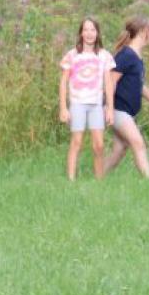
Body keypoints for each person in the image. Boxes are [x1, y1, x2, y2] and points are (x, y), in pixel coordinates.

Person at [97, 16, 149, 178]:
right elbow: (111, 82)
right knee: (138, 143)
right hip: (118, 109)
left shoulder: (136, 56)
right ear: (143, 32)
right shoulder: (126, 55)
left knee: (120, 149)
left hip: (124, 111)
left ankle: (97, 177)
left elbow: (139, 85)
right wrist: (109, 109)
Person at [57, 17, 113, 180]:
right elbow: (63, 82)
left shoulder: (104, 55)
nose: (89, 33)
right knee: (77, 142)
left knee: (99, 145)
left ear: (97, 33)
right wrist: (63, 108)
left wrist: (110, 108)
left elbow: (108, 83)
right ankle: (71, 180)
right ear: (81, 33)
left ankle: (99, 180)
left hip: (96, 105)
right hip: (77, 104)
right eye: (86, 30)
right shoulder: (72, 55)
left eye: (93, 30)